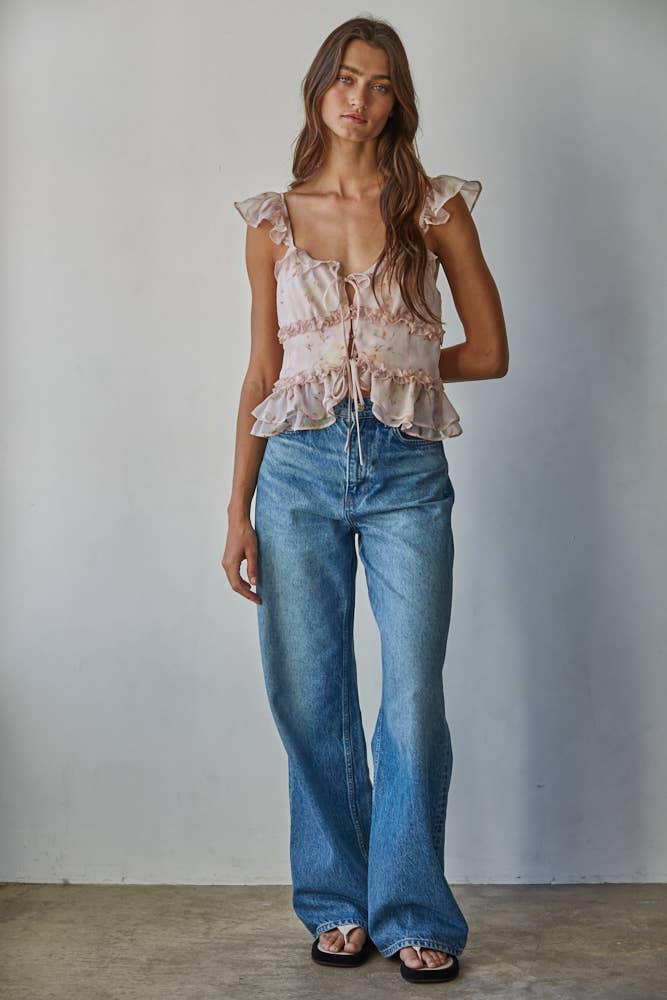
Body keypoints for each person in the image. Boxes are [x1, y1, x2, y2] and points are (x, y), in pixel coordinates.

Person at [222, 15, 508, 986]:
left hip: (403, 472)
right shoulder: (272, 222)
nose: (360, 97)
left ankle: (415, 908)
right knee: (311, 698)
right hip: (295, 475)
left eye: (380, 84)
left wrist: (394, 374)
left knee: (411, 699)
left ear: (398, 101)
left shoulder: (433, 207)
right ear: (318, 88)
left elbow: (488, 348)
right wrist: (236, 509)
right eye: (345, 78)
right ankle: (339, 904)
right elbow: (264, 368)